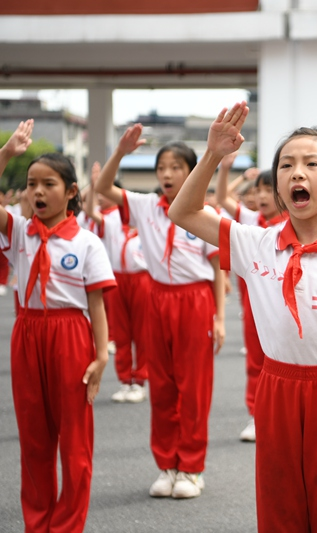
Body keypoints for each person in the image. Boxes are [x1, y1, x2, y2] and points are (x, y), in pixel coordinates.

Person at [169, 103, 317, 532]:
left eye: (311, 164)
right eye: (287, 165)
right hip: (277, 390)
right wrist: (213, 155)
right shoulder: (255, 243)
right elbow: (182, 212)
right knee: (280, 505)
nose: (297, 173)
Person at [95, 124, 226, 499]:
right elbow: (104, 190)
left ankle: (192, 468)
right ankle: (167, 465)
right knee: (163, 386)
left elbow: (218, 267)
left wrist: (218, 317)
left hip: (194, 299)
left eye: (176, 167)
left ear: (190, 171)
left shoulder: (204, 212)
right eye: (162, 168)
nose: (167, 175)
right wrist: (118, 153)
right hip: (157, 297)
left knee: (194, 387)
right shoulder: (144, 206)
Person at [0, 120, 116, 532]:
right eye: (31, 184)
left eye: (48, 184)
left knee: (75, 442)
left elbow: (96, 303)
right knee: (33, 439)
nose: (36, 192)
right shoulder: (18, 233)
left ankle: (67, 524)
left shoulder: (86, 242)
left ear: (70, 192)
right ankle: (39, 522)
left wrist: (101, 357)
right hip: (27, 332)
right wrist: (8, 154)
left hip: (70, 335)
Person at [216, 153, 287, 442]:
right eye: (258, 190)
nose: (261, 196)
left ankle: (281, 415)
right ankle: (257, 415)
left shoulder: (292, 223)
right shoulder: (250, 220)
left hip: (284, 303)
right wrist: (226, 168)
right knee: (256, 359)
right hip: (253, 302)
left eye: (269, 189)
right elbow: (221, 197)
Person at [84, 162, 152, 404]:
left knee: (142, 332)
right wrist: (94, 186)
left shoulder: (144, 219)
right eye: (101, 196)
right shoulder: (110, 218)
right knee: (121, 332)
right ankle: (125, 380)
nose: (102, 199)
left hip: (142, 279)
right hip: (117, 279)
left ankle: (140, 380)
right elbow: (90, 211)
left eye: (106, 194)